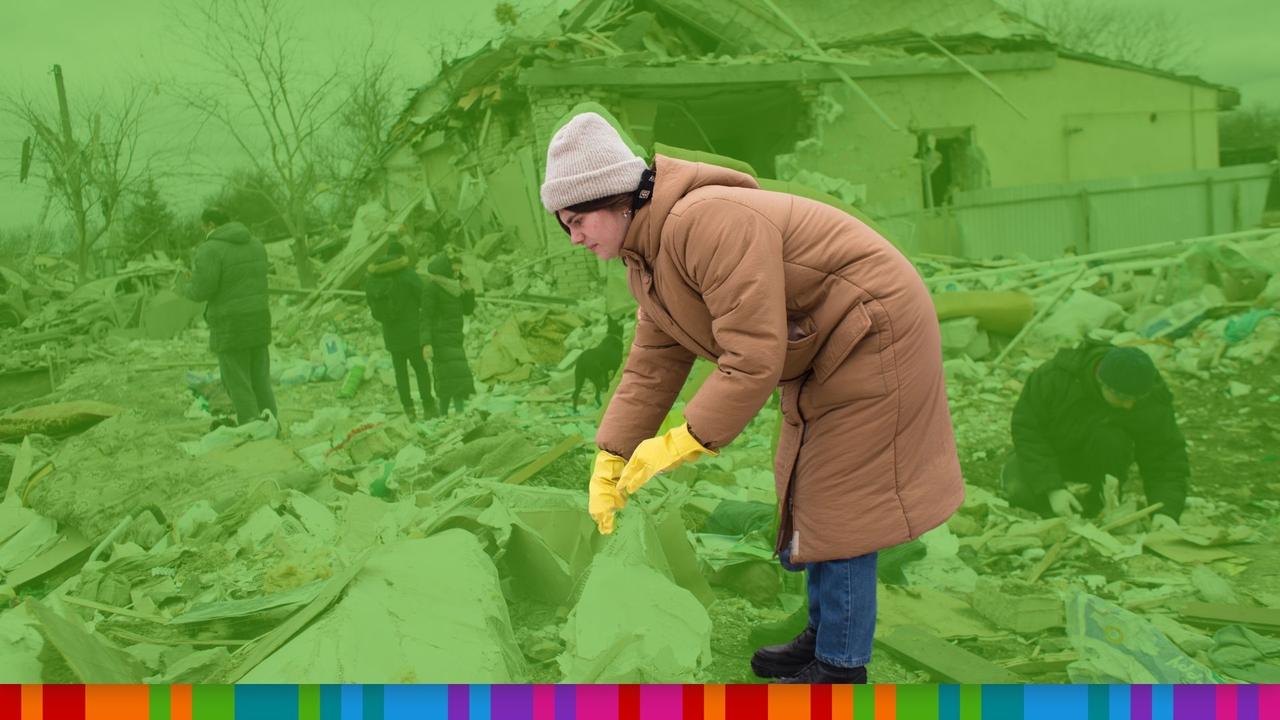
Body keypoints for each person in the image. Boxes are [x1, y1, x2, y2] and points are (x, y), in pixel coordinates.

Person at [540, 112, 964, 684]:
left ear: (616, 199)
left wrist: (683, 441)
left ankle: (840, 666)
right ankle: (825, 634)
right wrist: (612, 454)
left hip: (874, 329)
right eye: (565, 226)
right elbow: (653, 363)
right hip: (825, 342)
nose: (576, 238)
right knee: (809, 489)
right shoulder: (648, 259)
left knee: (843, 502)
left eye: (579, 220)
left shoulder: (706, 221)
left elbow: (752, 356)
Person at [1002, 342, 1188, 529]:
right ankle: (1058, 502)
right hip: (1050, 456)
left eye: (1135, 399)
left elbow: (1164, 453)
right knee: (1019, 492)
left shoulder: (1149, 395)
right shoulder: (1054, 377)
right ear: (1101, 382)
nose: (1129, 405)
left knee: (1111, 439)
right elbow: (1028, 432)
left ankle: (1099, 504)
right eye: (1123, 397)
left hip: (1101, 463)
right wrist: (1052, 488)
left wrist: (1166, 511)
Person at [183, 208, 277, 426]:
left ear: (209, 225)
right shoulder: (256, 244)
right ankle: (272, 424)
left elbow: (201, 291)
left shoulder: (210, 249)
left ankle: (252, 428)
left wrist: (185, 285)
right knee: (261, 379)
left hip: (231, 323)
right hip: (259, 319)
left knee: (237, 381)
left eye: (202, 226)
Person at [365, 240, 436, 421]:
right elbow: (424, 298)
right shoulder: (408, 274)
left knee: (401, 373)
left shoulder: (374, 278)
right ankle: (428, 406)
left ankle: (409, 410)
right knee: (420, 369)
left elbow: (371, 303)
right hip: (412, 333)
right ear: (401, 255)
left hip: (391, 335)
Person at [423, 249, 475, 416]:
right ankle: (444, 415)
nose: (457, 274)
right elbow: (425, 317)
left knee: (457, 376)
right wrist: (426, 342)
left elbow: (468, 310)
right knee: (446, 378)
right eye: (454, 270)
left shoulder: (455, 287)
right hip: (440, 338)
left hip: (454, 338)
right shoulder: (432, 287)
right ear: (446, 269)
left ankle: (458, 415)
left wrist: (468, 291)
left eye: (459, 271)